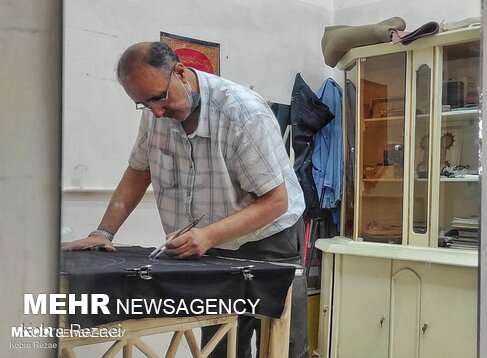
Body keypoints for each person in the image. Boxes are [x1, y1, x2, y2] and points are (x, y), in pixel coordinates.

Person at [62, 41, 308, 358]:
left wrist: (207, 235)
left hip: (268, 237)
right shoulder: (156, 110)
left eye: (158, 99)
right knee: (220, 340)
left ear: (179, 72)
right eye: (144, 104)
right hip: (212, 239)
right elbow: (139, 170)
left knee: (277, 340)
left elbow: (276, 201)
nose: (156, 111)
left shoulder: (242, 113)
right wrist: (103, 233)